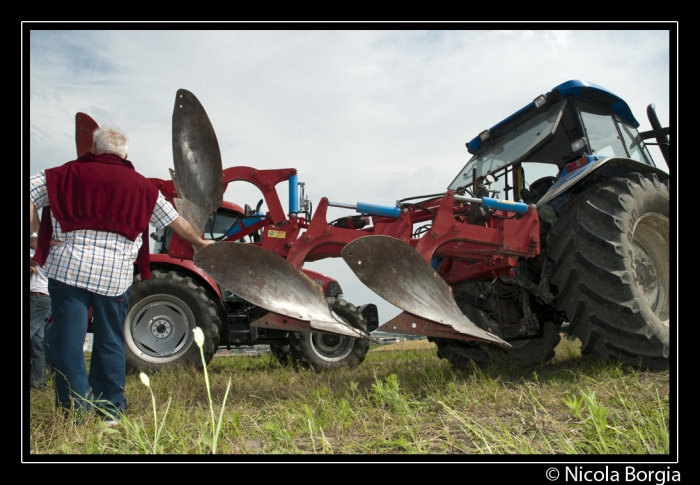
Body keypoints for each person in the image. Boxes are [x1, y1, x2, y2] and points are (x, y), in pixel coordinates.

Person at [29, 125, 214, 424]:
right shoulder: (142, 187)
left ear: (93, 149)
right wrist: (201, 243)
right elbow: (175, 221)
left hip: (68, 271)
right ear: (125, 154)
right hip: (113, 276)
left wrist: (34, 232)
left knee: (66, 342)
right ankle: (110, 411)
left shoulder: (61, 174)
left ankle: (76, 413)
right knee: (110, 341)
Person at [29, 233, 52, 391]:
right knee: (37, 344)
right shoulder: (50, 255)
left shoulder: (37, 254)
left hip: (37, 299)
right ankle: (39, 383)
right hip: (45, 299)